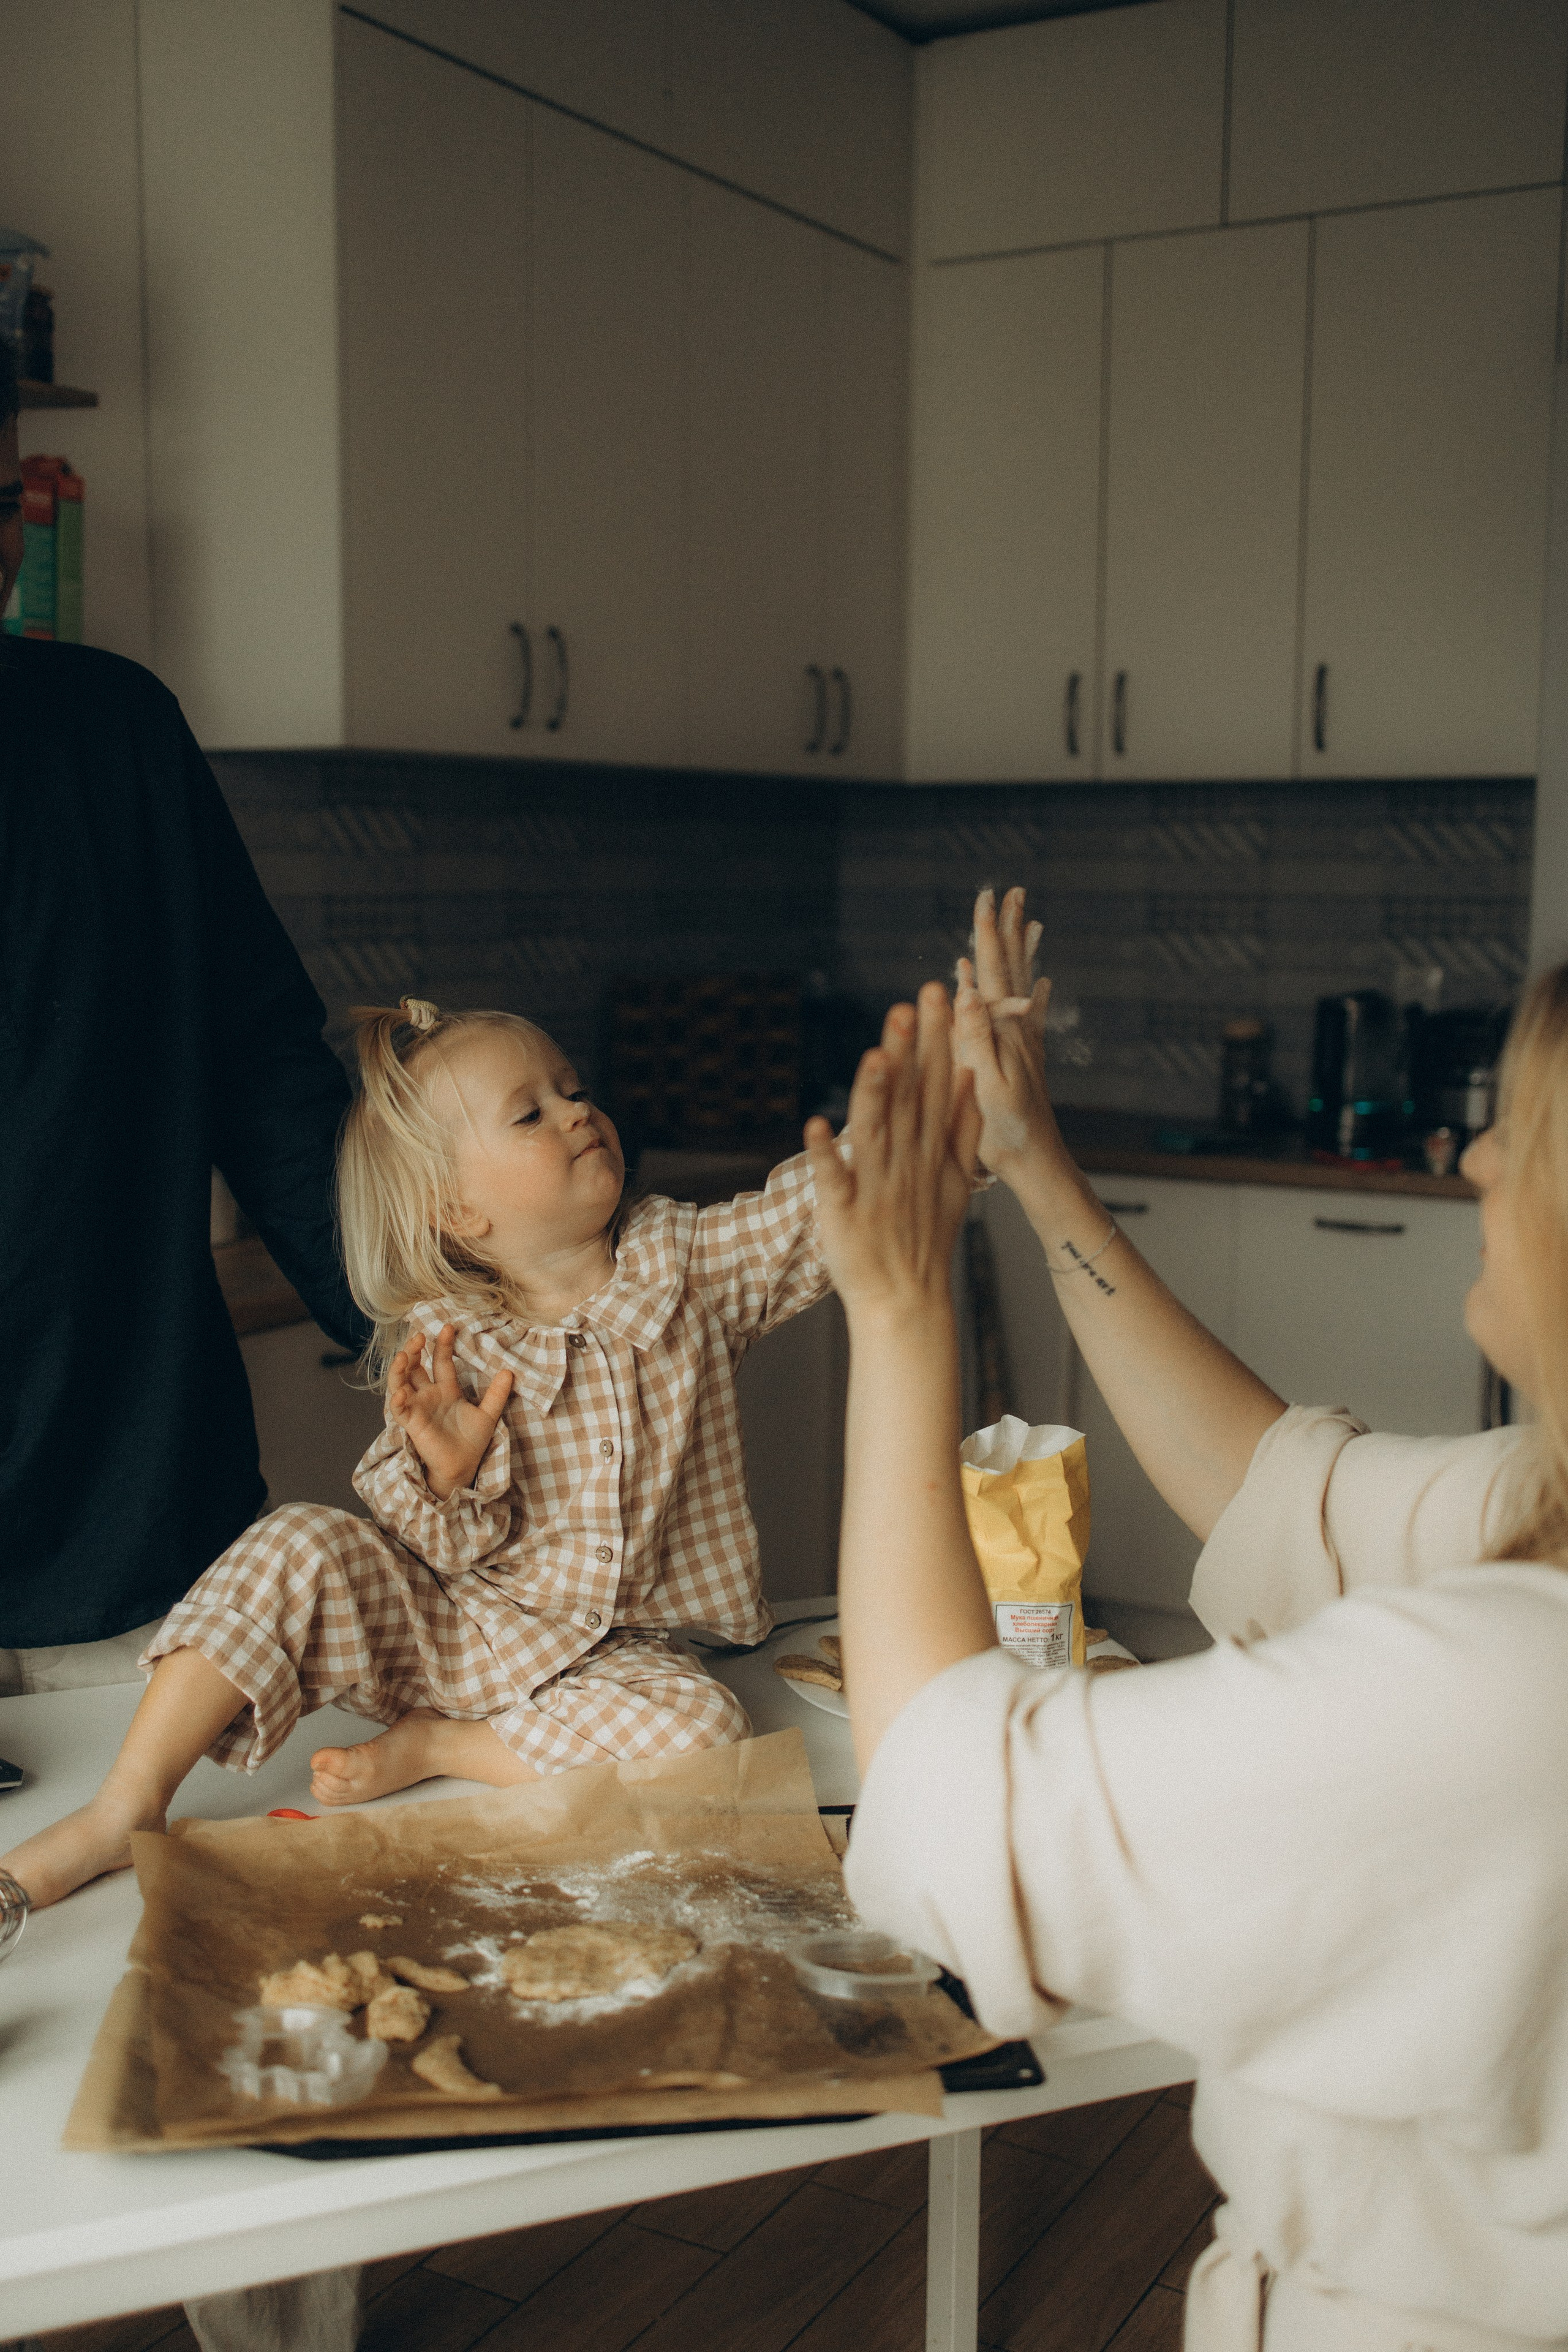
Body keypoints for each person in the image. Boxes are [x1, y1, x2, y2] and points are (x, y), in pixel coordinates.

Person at [806, 890, 1568, 2352]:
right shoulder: (1535, 1510)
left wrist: (902, 1321)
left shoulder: (1513, 1684)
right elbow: (1276, 1486)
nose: (1471, 1157)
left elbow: (951, 1811)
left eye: (1520, 1136)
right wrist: (1036, 1171)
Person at [4, 995, 831, 1907]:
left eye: (573, 1090)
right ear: (457, 1211)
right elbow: (433, 1551)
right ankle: (126, 1804)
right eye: (531, 1113)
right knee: (297, 1540)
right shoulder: (446, 1342)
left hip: (610, 1656)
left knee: (707, 1733)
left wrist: (964, 1098)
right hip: (442, 1626)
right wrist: (447, 1474)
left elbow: (826, 1204)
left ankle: (444, 1747)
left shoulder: (694, 1268)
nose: (576, 1113)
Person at [0, 336, 368, 1687]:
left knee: (185, 1897)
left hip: (144, 1544)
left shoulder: (119, 737)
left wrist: (417, 1321)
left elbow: (265, 1071)